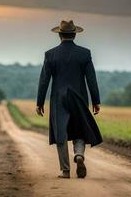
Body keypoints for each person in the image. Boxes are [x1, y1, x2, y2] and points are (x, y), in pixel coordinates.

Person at [36, 20, 102, 179]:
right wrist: (96, 101)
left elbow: (44, 80)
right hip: (79, 96)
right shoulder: (84, 54)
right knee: (79, 128)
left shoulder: (50, 54)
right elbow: (91, 79)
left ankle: (65, 171)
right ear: (74, 34)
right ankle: (79, 155)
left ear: (59, 35)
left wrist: (39, 102)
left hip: (58, 98)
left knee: (61, 133)